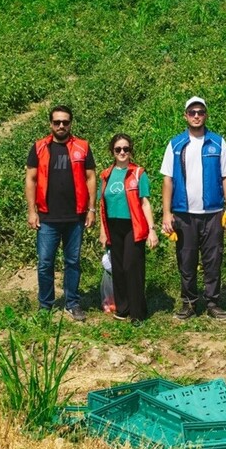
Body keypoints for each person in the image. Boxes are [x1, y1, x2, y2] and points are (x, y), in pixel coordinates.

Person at [160, 96, 226, 320]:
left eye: (200, 112)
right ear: (185, 116)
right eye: (192, 112)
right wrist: (166, 213)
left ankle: (213, 302)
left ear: (206, 115)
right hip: (184, 214)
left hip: (213, 213)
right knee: (186, 259)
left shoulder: (218, 142)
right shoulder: (175, 144)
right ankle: (189, 303)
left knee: (213, 259)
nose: (196, 116)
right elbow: (167, 180)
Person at [24, 105, 96, 320]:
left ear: (70, 123)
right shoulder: (38, 147)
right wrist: (31, 211)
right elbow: (31, 179)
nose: (61, 126)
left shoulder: (82, 147)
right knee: (45, 262)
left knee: (72, 262)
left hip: (75, 216)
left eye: (65, 122)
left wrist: (91, 209)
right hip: (47, 217)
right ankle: (45, 306)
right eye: (57, 122)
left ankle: (72, 303)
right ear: (51, 124)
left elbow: (91, 177)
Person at [98, 134, 159, 325]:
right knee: (118, 268)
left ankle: (137, 312)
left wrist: (152, 229)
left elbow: (145, 203)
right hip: (113, 226)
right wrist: (102, 231)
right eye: (118, 149)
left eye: (126, 148)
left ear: (130, 150)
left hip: (134, 226)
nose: (122, 152)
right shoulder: (106, 175)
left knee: (132, 267)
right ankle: (122, 308)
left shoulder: (138, 173)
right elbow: (102, 204)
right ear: (112, 152)